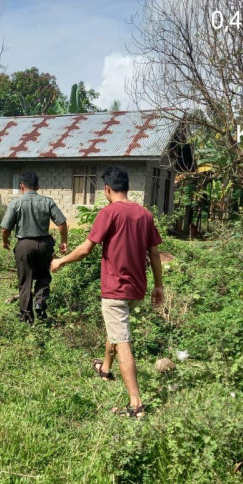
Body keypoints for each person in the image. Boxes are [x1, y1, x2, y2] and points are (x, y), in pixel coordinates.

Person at [50, 165, 164, 418]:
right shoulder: (144, 214)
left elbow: (86, 249)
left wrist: (61, 261)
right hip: (137, 289)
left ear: (107, 189)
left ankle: (136, 404)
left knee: (123, 341)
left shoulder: (109, 212)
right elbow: (155, 254)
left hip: (115, 289)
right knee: (116, 329)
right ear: (128, 187)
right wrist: (159, 286)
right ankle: (105, 369)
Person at [1, 172, 68, 323]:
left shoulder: (15, 203)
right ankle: (39, 303)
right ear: (37, 187)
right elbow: (62, 223)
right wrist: (63, 241)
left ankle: (26, 315)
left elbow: (5, 229)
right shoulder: (47, 202)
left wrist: (5, 241)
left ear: (21, 186)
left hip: (24, 246)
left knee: (25, 280)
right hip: (44, 245)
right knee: (44, 276)